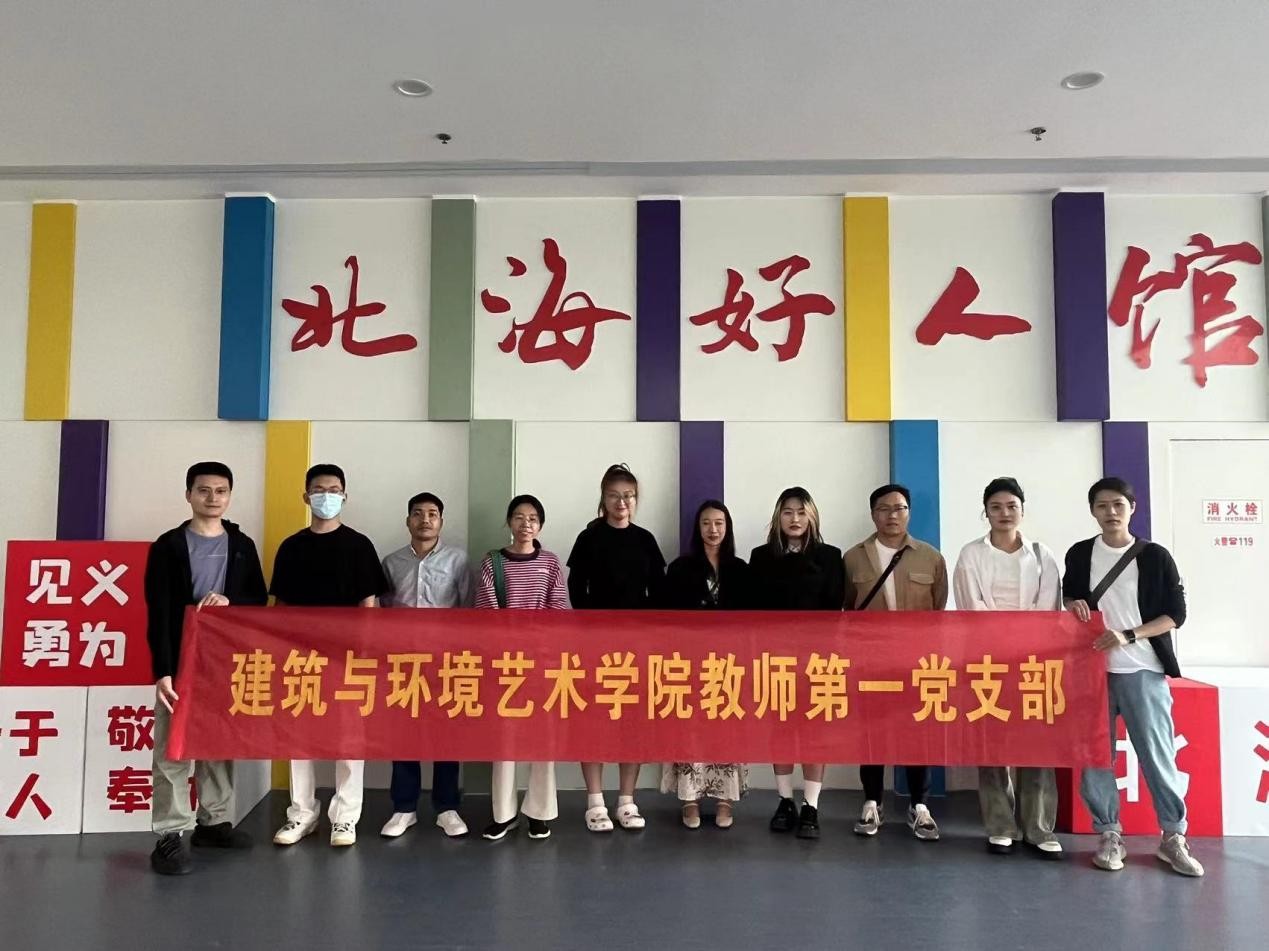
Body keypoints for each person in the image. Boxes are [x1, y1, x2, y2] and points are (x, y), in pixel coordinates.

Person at [1063, 476, 1203, 877]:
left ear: (1132, 509)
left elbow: (1175, 614)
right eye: (1102, 506)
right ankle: (1109, 833)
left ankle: (1173, 835)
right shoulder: (1080, 553)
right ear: (1093, 511)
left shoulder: (1155, 556)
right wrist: (1073, 605)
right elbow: (1070, 594)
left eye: (1118, 505)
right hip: (1092, 672)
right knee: (1096, 756)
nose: (1111, 512)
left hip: (1143, 668)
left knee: (1157, 753)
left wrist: (1128, 635)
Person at [145, 461, 268, 875]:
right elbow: (158, 611)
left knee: (219, 741)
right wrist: (162, 669)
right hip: (181, 659)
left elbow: (257, 599)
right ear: (189, 495)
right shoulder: (168, 546)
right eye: (203, 490)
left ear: (229, 496)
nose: (212, 498)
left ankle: (213, 822)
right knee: (173, 745)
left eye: (221, 491)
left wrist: (231, 601)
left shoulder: (242, 544)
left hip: (226, 660)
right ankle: (170, 833)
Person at [270, 464, 388, 848]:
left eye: (334, 490)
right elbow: (280, 606)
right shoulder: (291, 547)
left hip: (347, 659)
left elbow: (370, 602)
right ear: (306, 497)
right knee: (298, 738)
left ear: (345, 496)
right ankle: (302, 813)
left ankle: (345, 817)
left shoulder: (359, 546)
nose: (327, 496)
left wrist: (365, 652)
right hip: (300, 659)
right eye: (319, 490)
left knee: (348, 739)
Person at [952, 477, 1063, 858]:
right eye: (996, 507)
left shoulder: (1042, 555)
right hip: (987, 661)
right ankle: (1001, 825)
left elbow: (1047, 610)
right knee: (992, 742)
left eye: (1011, 506)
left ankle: (1039, 827)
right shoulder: (971, 554)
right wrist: (1009, 630)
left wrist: (1018, 632)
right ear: (985, 512)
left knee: (1037, 744)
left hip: (1034, 662)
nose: (1004, 513)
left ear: (1022, 510)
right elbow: (972, 607)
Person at [844, 483, 948, 841]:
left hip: (917, 662)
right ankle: (872, 802)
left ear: (909, 512)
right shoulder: (854, 558)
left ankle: (920, 805)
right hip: (871, 661)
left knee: (917, 732)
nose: (893, 515)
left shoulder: (930, 557)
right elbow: (848, 609)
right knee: (870, 733)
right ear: (873, 514)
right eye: (884, 509)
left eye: (900, 508)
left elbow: (938, 608)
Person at [567, 463, 667, 833]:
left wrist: (641, 630)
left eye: (628, 496)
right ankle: (595, 802)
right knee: (592, 721)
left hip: (637, 647)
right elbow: (575, 590)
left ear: (636, 500)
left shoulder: (645, 540)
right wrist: (595, 628)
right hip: (594, 646)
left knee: (631, 723)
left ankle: (626, 801)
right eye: (614, 495)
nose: (621, 502)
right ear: (604, 498)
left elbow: (659, 593)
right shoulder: (588, 538)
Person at [748, 486, 844, 839]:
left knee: (815, 734)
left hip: (817, 661)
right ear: (778, 517)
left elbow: (835, 609)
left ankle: (811, 806)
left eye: (802, 512)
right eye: (788, 512)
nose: (795, 519)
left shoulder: (830, 556)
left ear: (812, 516)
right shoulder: (761, 557)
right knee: (782, 730)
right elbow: (755, 612)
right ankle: (785, 800)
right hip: (776, 660)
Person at [379, 491, 472, 840]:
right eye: (418, 513)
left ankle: (446, 807)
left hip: (446, 662)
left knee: (447, 735)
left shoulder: (458, 560)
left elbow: (468, 610)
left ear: (441, 522)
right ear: (408, 521)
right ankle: (404, 807)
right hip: (403, 662)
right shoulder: (391, 562)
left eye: (432, 514)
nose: (425, 520)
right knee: (403, 735)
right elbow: (384, 611)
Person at [477, 494, 569, 841]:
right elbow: (486, 613)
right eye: (518, 517)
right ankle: (503, 814)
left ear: (540, 525)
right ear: (509, 522)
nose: (525, 524)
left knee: (541, 740)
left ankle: (539, 813)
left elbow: (559, 608)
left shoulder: (550, 562)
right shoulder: (492, 562)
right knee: (504, 739)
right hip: (504, 662)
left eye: (532, 518)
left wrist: (536, 639)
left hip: (542, 662)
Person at [661, 500, 751, 829]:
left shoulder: (741, 569)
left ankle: (725, 800)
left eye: (719, 523)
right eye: (706, 523)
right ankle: (690, 800)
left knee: (727, 729)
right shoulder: (680, 568)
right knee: (690, 730)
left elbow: (751, 619)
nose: (713, 530)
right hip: (689, 663)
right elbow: (667, 617)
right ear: (697, 528)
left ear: (727, 528)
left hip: (730, 664)